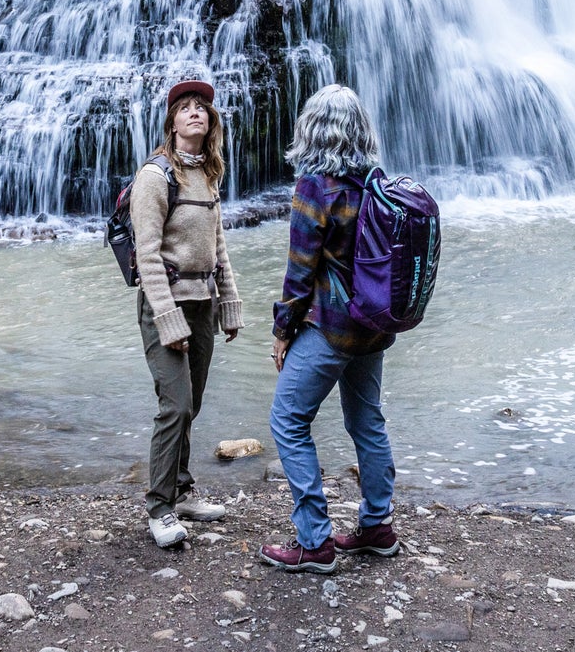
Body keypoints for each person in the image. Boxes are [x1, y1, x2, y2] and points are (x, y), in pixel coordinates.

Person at [260, 84, 400, 574]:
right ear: (359, 128)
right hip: (372, 324)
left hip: (330, 325)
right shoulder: (376, 184)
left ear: (311, 128)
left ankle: (314, 540)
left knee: (287, 420)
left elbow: (301, 270)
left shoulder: (316, 187)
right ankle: (376, 526)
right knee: (367, 420)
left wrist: (282, 330)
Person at [132, 77, 243, 548]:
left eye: (203, 108)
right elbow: (147, 254)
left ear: (210, 122)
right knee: (174, 405)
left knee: (191, 404)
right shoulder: (155, 177)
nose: (196, 113)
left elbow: (218, 245)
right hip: (167, 305)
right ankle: (159, 507)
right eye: (186, 108)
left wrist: (230, 303)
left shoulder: (209, 174)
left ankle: (182, 491)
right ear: (173, 121)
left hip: (203, 304)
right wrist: (168, 318)